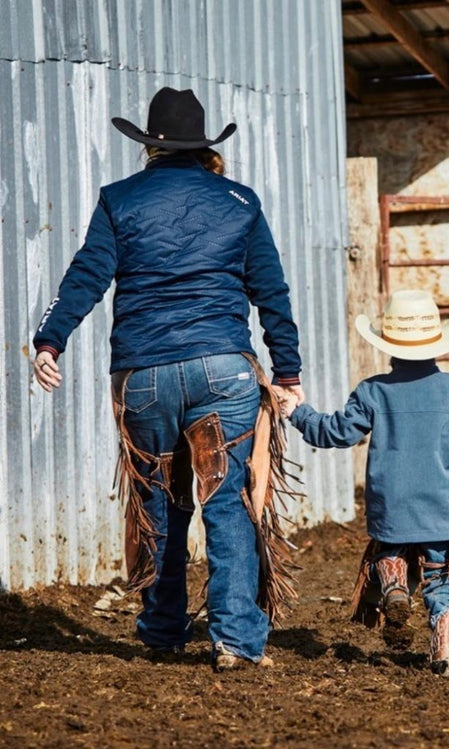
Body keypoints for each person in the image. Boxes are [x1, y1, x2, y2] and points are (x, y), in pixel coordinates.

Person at [33, 87, 304, 672]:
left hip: (144, 372)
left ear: (149, 145)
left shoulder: (119, 199)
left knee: (158, 501)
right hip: (224, 369)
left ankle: (162, 630)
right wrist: (287, 370)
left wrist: (50, 340)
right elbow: (272, 291)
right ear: (203, 145)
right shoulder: (240, 201)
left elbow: (86, 275)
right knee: (228, 503)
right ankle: (235, 641)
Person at [286, 289, 449, 677]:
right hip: (441, 509)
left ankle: (395, 587)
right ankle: (444, 652)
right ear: (436, 343)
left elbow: (337, 433)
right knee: (439, 577)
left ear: (389, 345)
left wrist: (298, 412)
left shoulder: (372, 391)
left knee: (390, 549)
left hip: (391, 505)